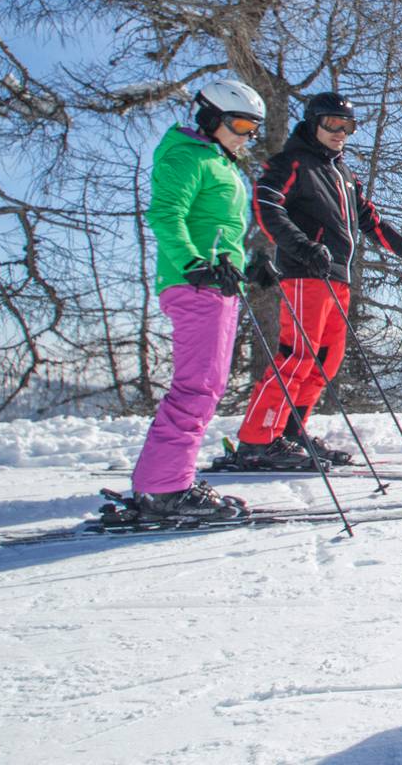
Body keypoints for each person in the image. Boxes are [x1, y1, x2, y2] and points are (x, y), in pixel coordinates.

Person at [228, 91, 402, 470]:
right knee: (297, 356)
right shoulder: (292, 163)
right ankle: (256, 440)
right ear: (312, 123)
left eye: (347, 126)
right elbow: (266, 206)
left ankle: (289, 432)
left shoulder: (343, 174)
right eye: (331, 124)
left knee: (325, 361)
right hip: (306, 273)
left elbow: (370, 221)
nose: (340, 132)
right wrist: (303, 247)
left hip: (337, 276)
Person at [127, 79, 265, 520]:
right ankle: (164, 489)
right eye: (241, 124)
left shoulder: (218, 161)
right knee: (198, 386)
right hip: (195, 285)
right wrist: (193, 263)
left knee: (208, 385)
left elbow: (218, 229)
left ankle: (166, 480)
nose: (248, 136)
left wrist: (246, 265)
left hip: (217, 285)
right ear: (210, 117)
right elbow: (166, 215)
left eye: (254, 128)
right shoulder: (188, 156)